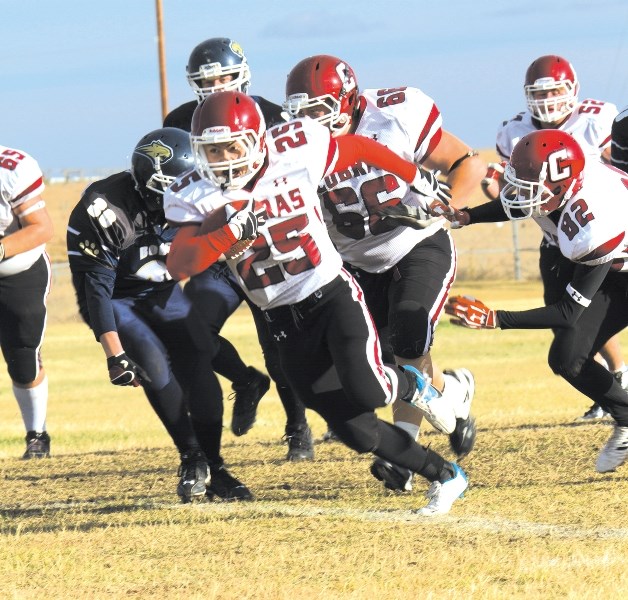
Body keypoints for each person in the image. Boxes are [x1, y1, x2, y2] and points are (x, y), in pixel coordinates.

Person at [164, 90, 469, 516]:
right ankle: (448, 476)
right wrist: (223, 235)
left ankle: (414, 383)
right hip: (281, 320)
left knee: (372, 388)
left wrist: (414, 176)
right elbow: (180, 263)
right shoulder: (194, 192)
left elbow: (359, 147)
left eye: (232, 146)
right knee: (357, 431)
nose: (224, 158)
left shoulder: (296, 150)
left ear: (256, 139)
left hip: (328, 293)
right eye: (211, 150)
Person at [283, 55, 486, 491]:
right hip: (355, 261)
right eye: (302, 113)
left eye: (320, 110)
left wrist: (445, 207)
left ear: (348, 100)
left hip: (417, 244)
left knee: (408, 335)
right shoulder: (294, 148)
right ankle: (451, 391)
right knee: (377, 364)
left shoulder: (397, 112)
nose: (311, 122)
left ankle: (405, 457)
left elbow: (468, 162)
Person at [67, 127, 252, 503]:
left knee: (197, 350)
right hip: (115, 296)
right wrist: (115, 354)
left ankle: (216, 458)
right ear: (151, 185)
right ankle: (192, 458)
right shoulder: (106, 208)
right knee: (152, 360)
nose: (190, 189)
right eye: (178, 184)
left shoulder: (200, 199)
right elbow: (99, 290)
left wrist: (232, 247)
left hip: (158, 286)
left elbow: (196, 254)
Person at [442, 129, 628, 473]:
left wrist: (494, 318)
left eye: (532, 189)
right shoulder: (563, 181)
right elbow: (518, 202)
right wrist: (469, 216)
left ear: (561, 189)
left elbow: (568, 313)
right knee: (567, 357)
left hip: (614, 260)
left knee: (569, 333)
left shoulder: (595, 221)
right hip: (615, 271)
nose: (520, 195)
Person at [165, 37, 313, 461]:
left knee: (278, 344)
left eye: (224, 76)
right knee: (191, 330)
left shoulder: (270, 114)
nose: (215, 86)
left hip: (264, 244)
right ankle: (245, 380)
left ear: (242, 73)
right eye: (205, 80)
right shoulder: (179, 120)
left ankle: (297, 426)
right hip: (216, 248)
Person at [482, 54, 625, 421]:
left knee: (572, 320)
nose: (546, 101)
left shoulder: (596, 123)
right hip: (563, 239)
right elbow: (522, 195)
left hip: (602, 236)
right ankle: (615, 400)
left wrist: (495, 318)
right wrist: (470, 213)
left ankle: (618, 378)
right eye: (538, 94)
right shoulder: (514, 131)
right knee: (569, 344)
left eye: (554, 91)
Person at [0, 143, 53, 459]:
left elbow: (42, 227)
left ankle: (37, 435)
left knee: (22, 360)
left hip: (17, 268)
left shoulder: (11, 168)